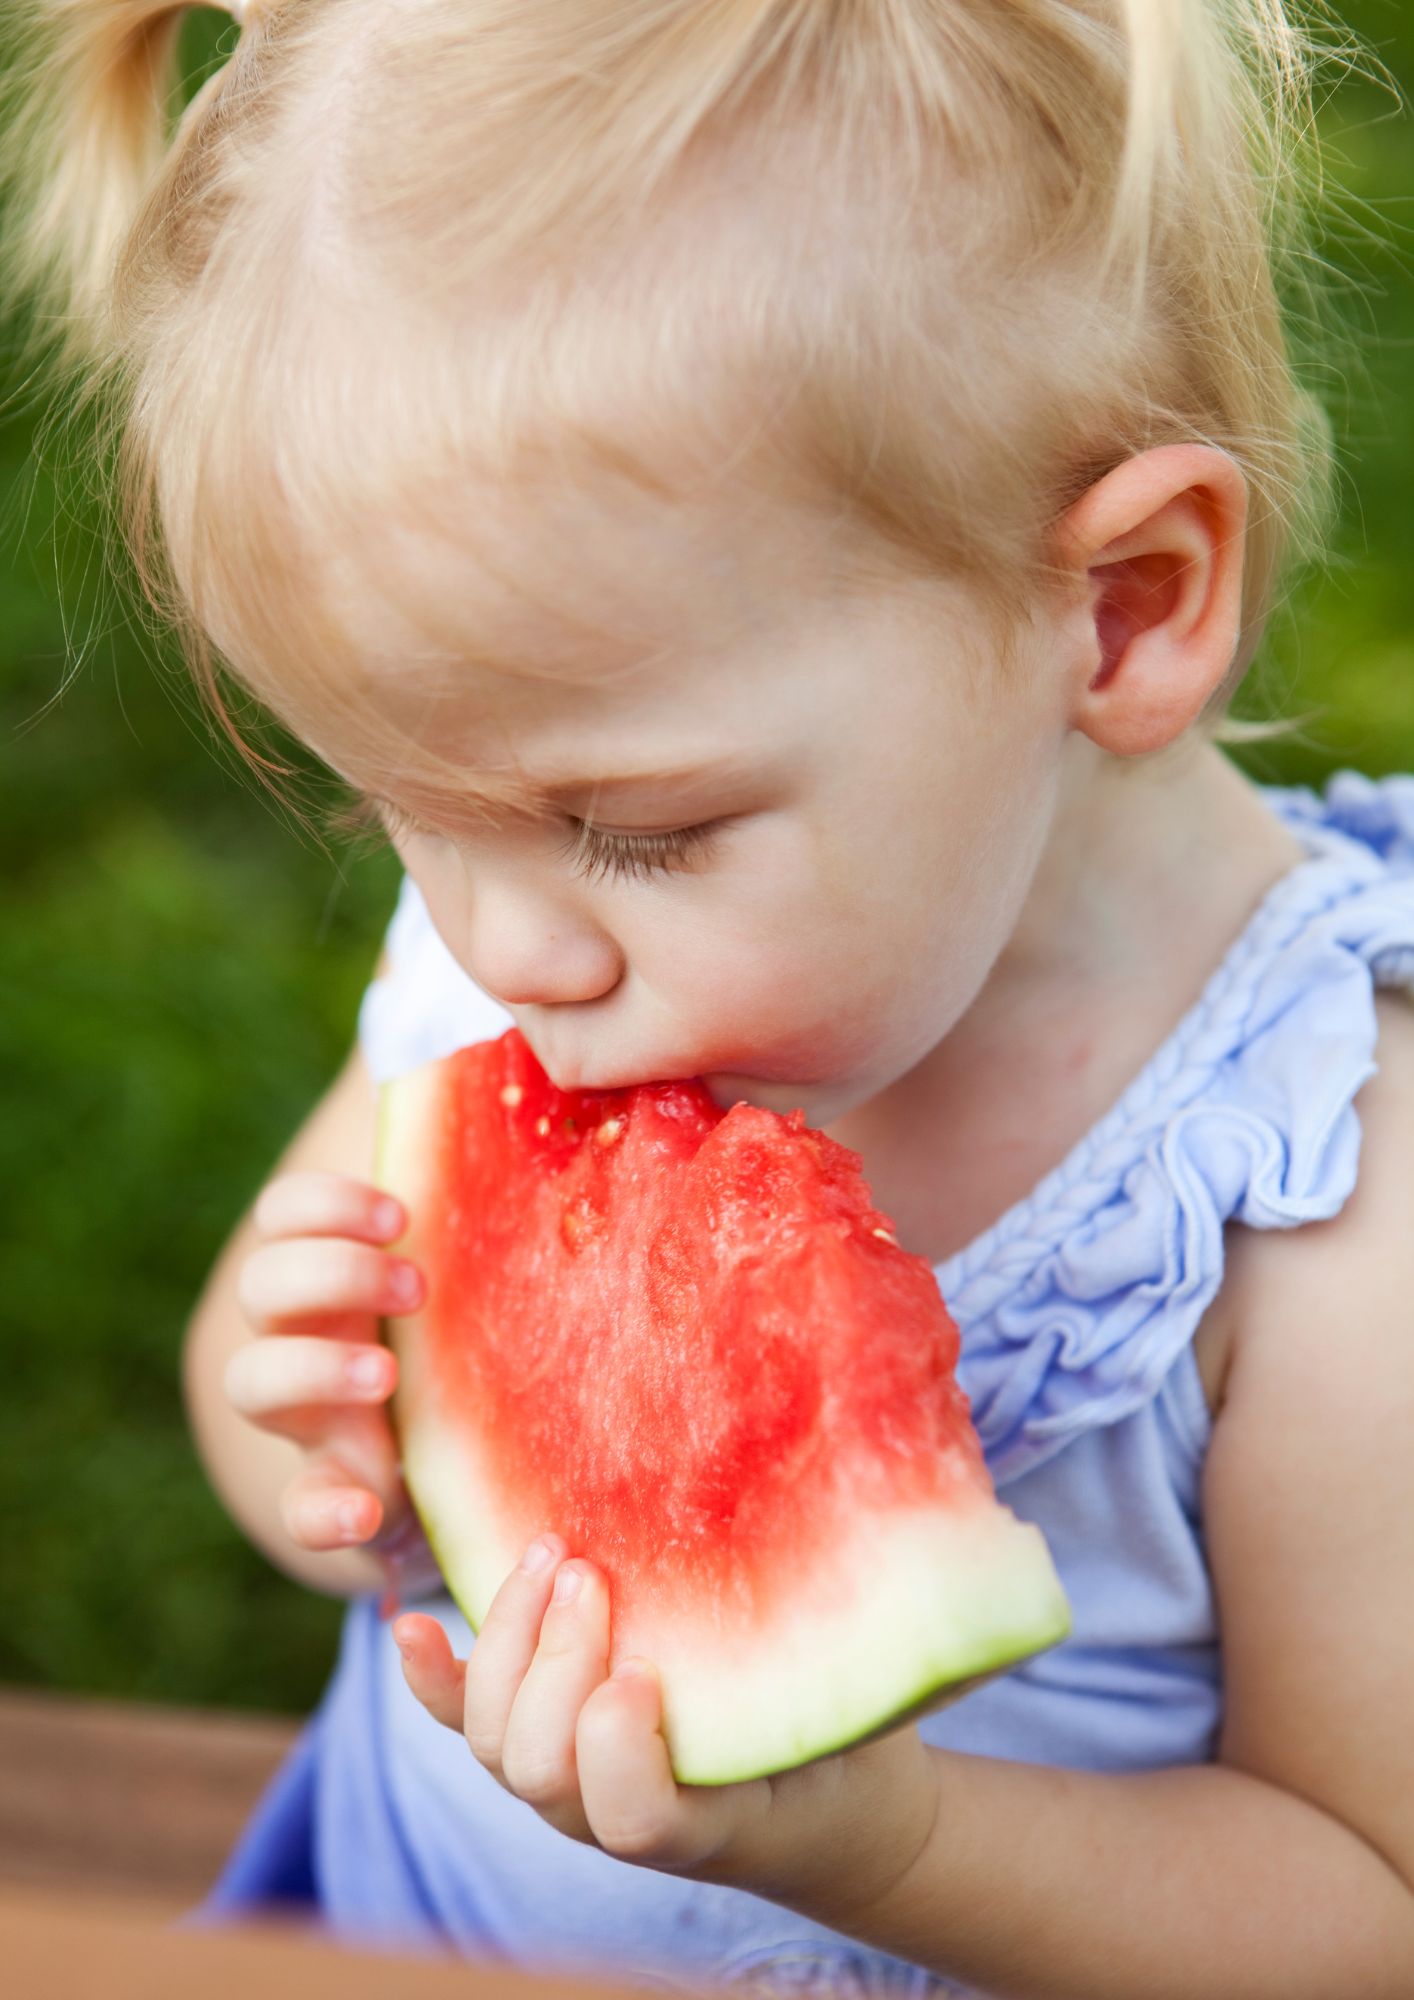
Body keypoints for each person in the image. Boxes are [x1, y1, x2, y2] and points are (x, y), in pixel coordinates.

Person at [5, 0, 1414, 1994]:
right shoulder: (542, 961)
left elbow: (1369, 1912)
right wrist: (325, 1429)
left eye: (633, 827)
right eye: (402, 813)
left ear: (1119, 608)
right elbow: (291, 1428)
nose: (501, 950)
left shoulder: (1326, 1211)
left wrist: (895, 1837)